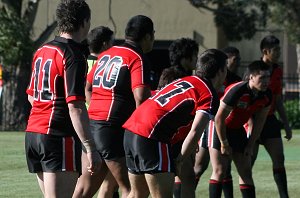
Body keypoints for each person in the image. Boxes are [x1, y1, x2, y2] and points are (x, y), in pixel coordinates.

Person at [123, 49, 228, 198]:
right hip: (153, 136)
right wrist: (180, 160)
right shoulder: (208, 93)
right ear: (220, 71)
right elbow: (195, 131)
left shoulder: (185, 80)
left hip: (131, 130)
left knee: (137, 194)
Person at [25, 0, 102, 197]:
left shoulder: (42, 50)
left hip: (33, 133)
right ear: (84, 22)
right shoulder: (73, 54)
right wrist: (90, 147)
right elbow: (75, 106)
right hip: (57, 136)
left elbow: (32, 97)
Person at [73, 15, 155, 198]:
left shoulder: (106, 54)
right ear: (148, 36)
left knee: (83, 190)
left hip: (91, 124)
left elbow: (87, 86)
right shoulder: (137, 57)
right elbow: (141, 97)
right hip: (112, 130)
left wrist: (96, 108)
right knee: (131, 190)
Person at [206, 60, 272, 198]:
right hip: (219, 128)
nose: (266, 81)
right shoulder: (237, 90)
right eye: (262, 78)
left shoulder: (267, 95)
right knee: (220, 170)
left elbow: (260, 122)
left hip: (237, 130)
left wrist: (250, 144)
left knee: (246, 172)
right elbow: (218, 118)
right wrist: (224, 143)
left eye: (268, 77)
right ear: (251, 77)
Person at [194, 46, 242, 198]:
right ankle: (185, 192)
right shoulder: (210, 80)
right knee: (202, 166)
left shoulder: (236, 80)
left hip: (225, 127)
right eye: (235, 59)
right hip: (209, 124)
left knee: (223, 169)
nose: (238, 62)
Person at [251, 35, 292, 198]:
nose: (279, 53)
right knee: (248, 164)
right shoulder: (255, 70)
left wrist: (287, 124)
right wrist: (247, 124)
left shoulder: (278, 70)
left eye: (279, 49)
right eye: (276, 50)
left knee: (279, 158)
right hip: (253, 121)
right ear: (265, 51)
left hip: (269, 120)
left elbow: (278, 100)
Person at [86, 26, 119, 198]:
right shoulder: (106, 64)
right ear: (106, 44)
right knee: (109, 181)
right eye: (113, 42)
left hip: (82, 125)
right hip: (98, 124)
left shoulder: (81, 62)